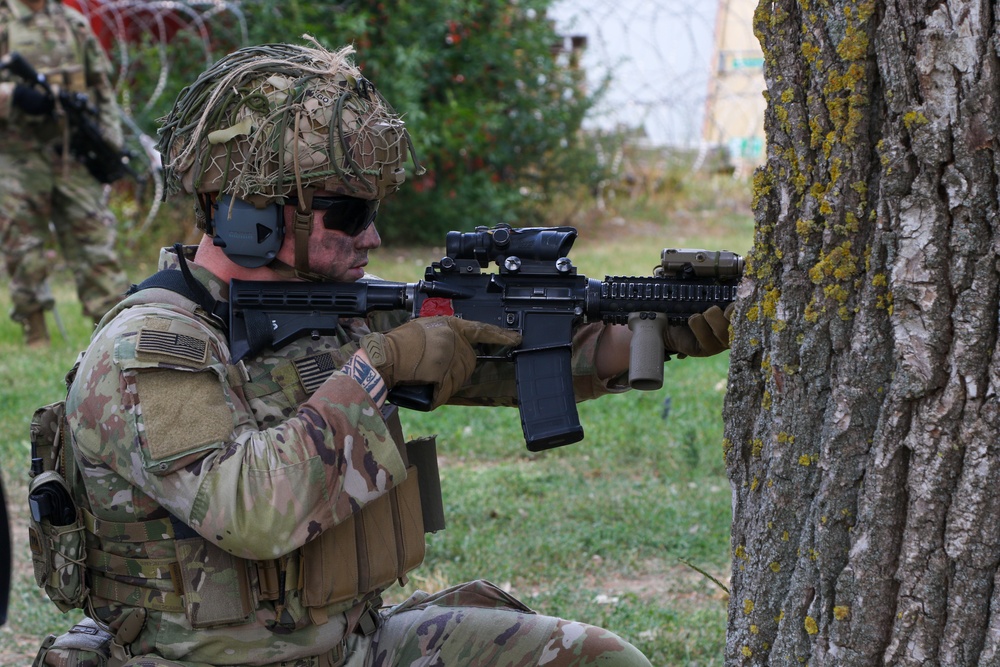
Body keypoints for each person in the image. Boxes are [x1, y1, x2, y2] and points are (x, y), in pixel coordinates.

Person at [31, 41, 731, 666]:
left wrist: (647, 331)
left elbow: (502, 354)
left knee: (597, 658)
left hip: (353, 646)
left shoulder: (333, 304)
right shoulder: (149, 349)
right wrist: (379, 367)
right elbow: (250, 509)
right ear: (254, 215)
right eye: (351, 214)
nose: (371, 237)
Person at [0, 0, 129, 347]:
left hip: (73, 153)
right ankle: (36, 334)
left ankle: (111, 333)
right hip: (18, 156)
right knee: (23, 247)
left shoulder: (73, 22)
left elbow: (101, 88)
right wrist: (14, 95)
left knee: (96, 243)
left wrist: (110, 145)